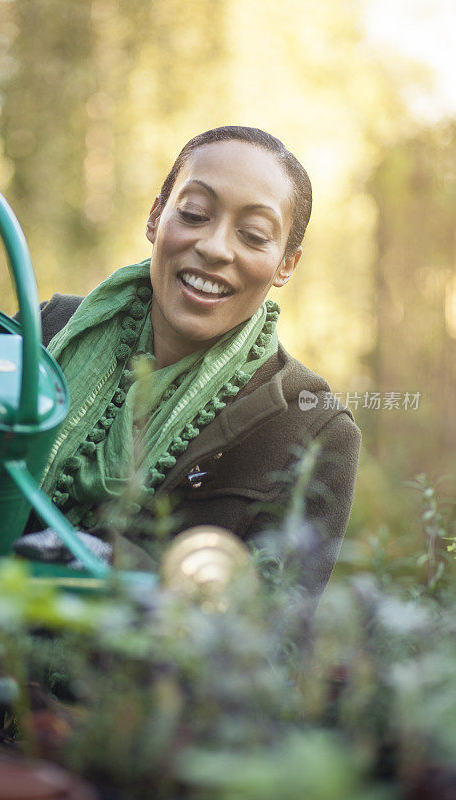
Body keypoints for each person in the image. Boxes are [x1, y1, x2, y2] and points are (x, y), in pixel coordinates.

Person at [23, 126, 361, 598]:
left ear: (286, 263)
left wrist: (117, 571)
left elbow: (271, 640)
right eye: (195, 214)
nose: (215, 248)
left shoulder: (312, 429)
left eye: (253, 235)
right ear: (156, 216)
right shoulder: (46, 331)